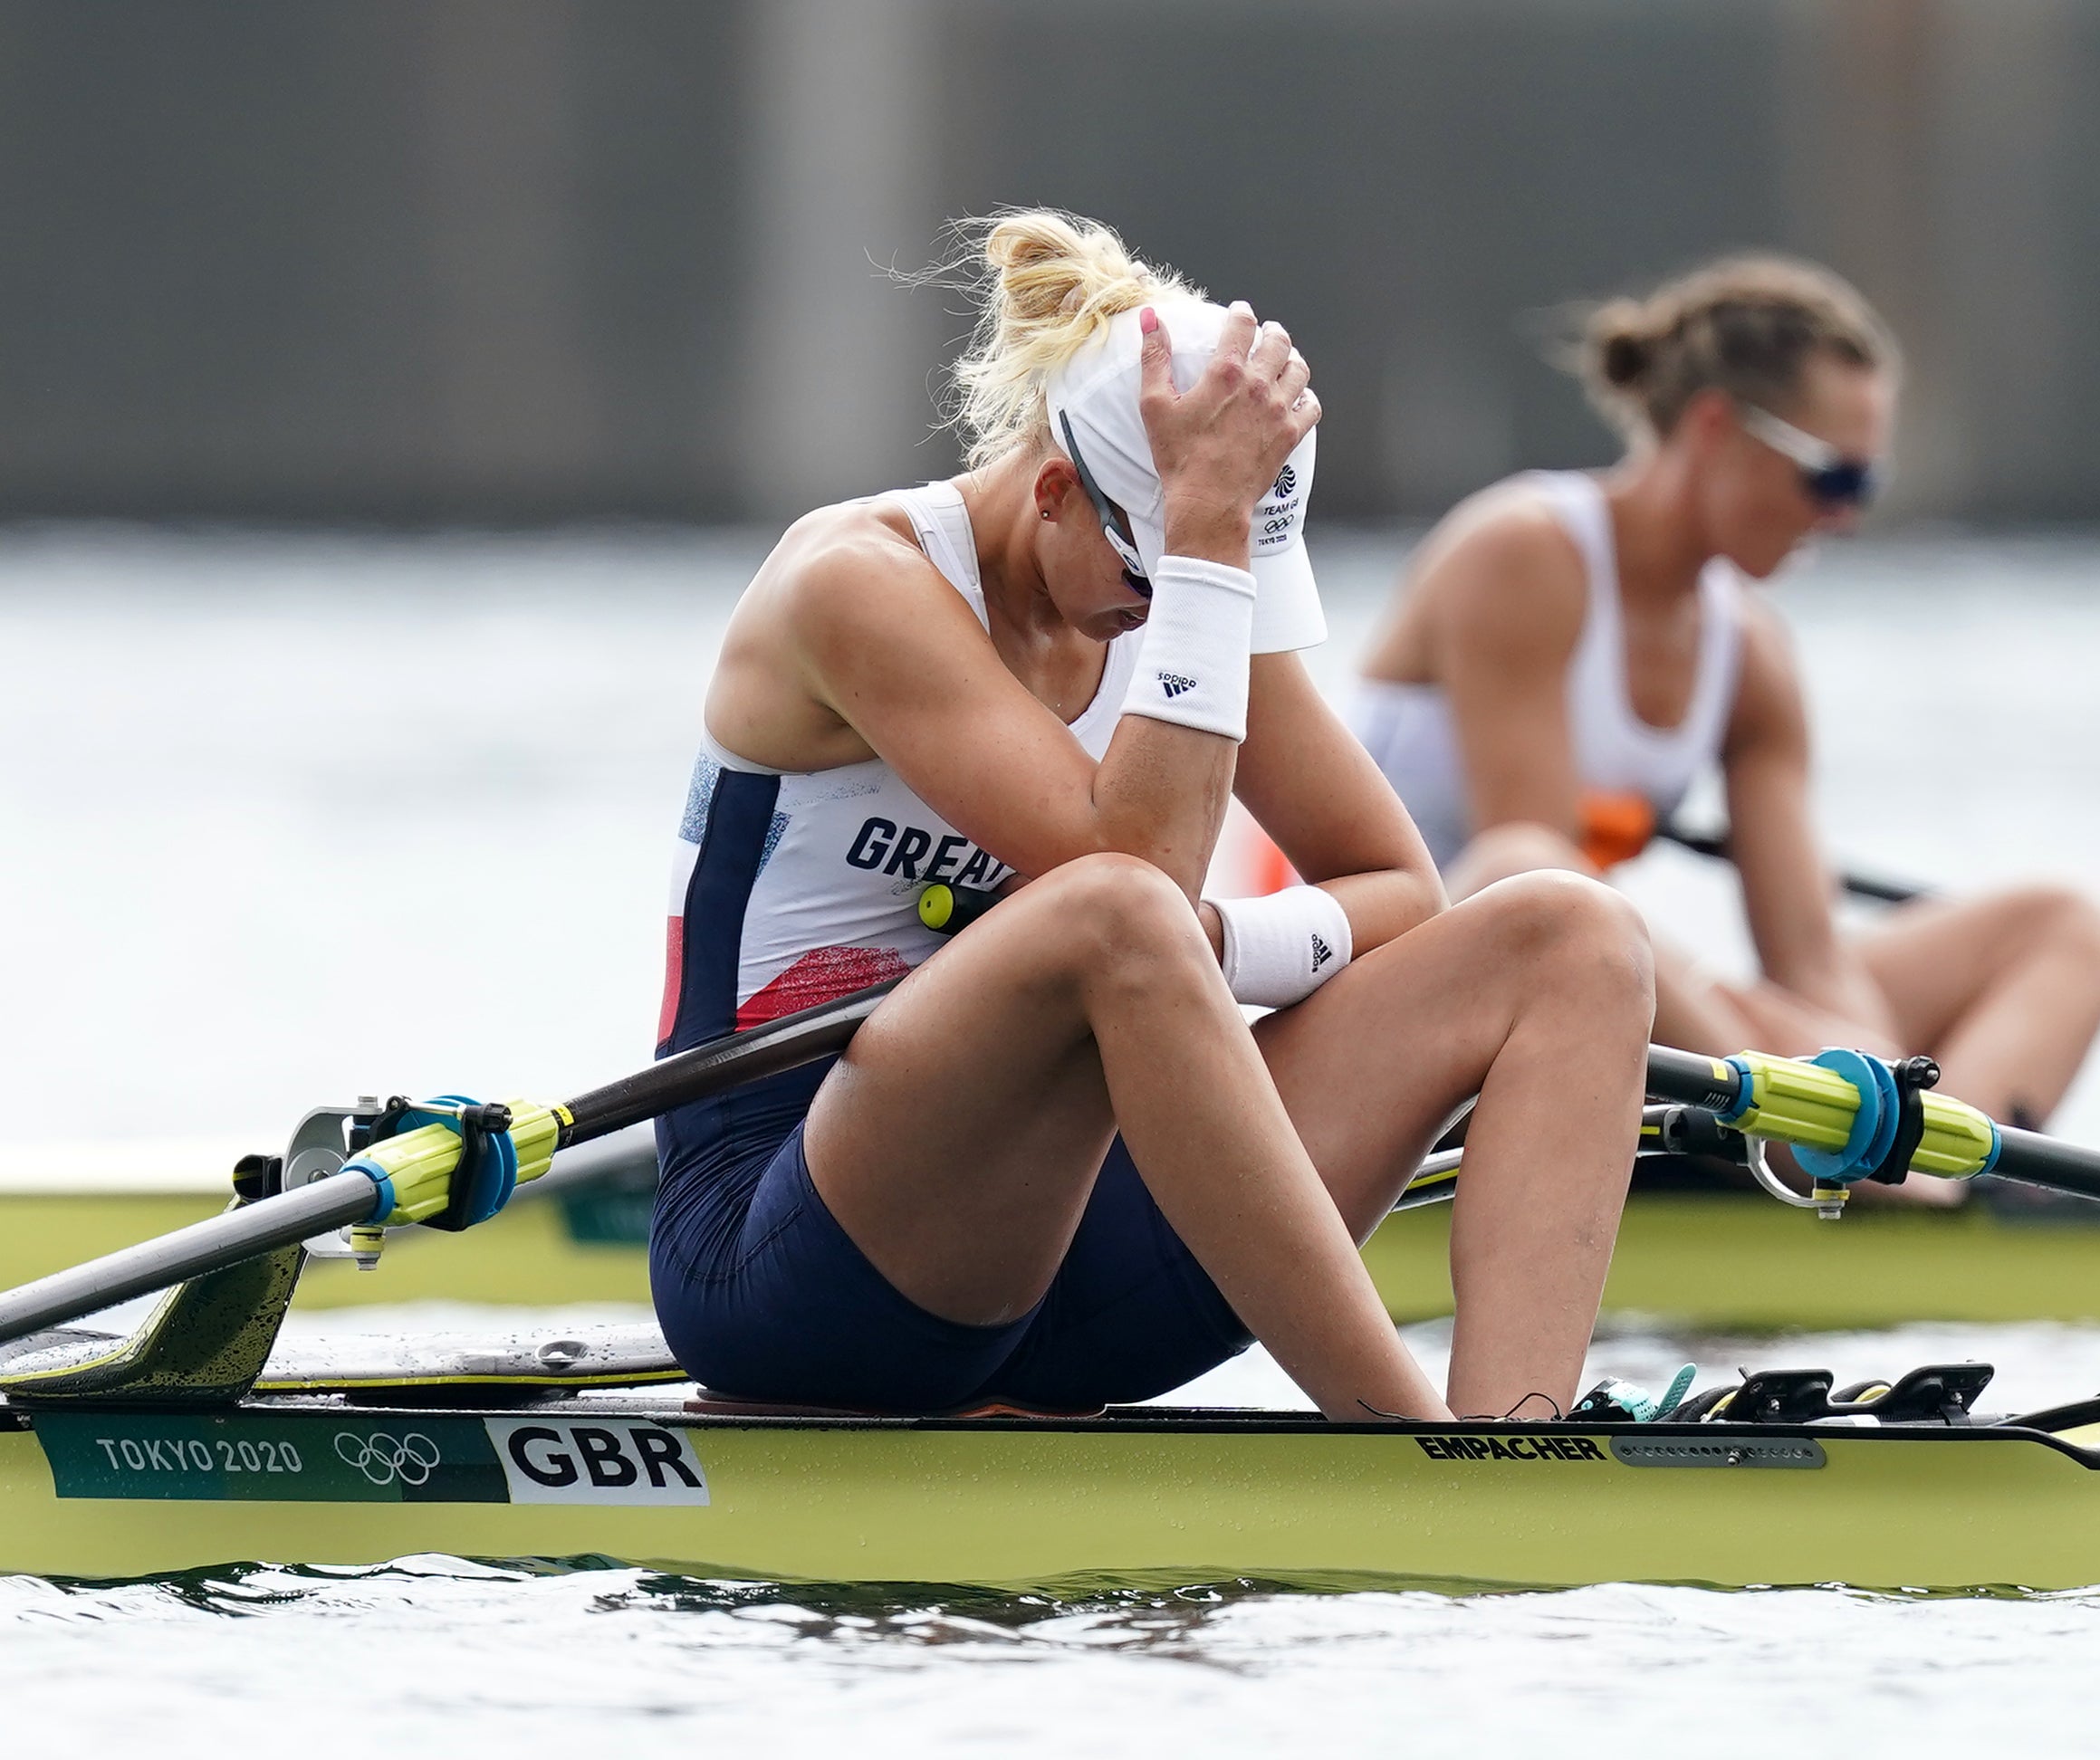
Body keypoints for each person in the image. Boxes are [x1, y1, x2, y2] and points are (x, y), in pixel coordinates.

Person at [649, 210, 1655, 1425]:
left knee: (1570, 938)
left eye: (1224, 572)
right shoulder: (857, 586)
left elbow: (1399, 887)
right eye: (1170, 572)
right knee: (1116, 908)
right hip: (794, 1258)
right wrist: (1202, 575)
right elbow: (1133, 880)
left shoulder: (1169, 591)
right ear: (1058, 491)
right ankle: (1413, 1449)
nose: (1181, 608)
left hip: (1079, 1259)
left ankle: (1523, 1440)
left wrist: (1213, 951)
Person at [1351, 254, 2100, 1153]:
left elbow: (1808, 957)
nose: (1843, 517)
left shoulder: (1751, 655)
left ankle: (1935, 1169)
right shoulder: (1520, 555)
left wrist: (1860, 1055)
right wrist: (1794, 1052)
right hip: (1394, 999)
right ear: (1716, 429)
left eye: (1863, 486)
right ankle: (1845, 1151)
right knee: (1530, 869)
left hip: (1597, 998)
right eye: (1831, 478)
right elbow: (1535, 895)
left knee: (2064, 925)